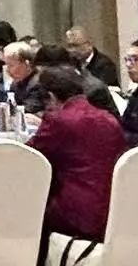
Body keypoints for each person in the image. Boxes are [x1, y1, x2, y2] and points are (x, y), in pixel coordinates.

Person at [28, 67, 126, 242]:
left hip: (74, 212)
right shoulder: (109, 119)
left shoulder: (58, 120)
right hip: (113, 208)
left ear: (50, 96)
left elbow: (30, 158)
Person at [31, 42, 118, 112]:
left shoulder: (93, 89)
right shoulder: (48, 85)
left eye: (42, 72)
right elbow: (34, 105)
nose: (38, 77)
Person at [1, 39, 44, 114]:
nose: (7, 70)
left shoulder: (39, 82)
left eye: (11, 65)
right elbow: (9, 105)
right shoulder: (15, 83)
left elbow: (28, 109)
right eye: (6, 65)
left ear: (26, 64)